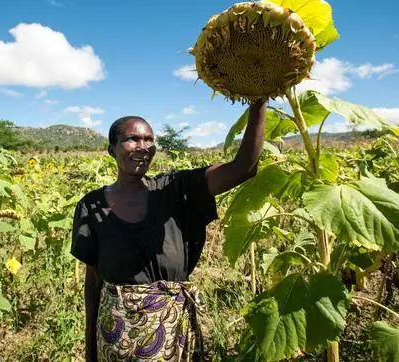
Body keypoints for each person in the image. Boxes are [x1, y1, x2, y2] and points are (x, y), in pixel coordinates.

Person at [71, 100, 266, 361]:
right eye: (132, 139)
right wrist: (90, 350)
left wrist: (259, 101)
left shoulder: (175, 190)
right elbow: (93, 281)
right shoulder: (91, 206)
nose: (143, 147)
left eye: (149, 139)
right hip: (116, 338)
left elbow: (243, 168)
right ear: (112, 150)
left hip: (173, 335)